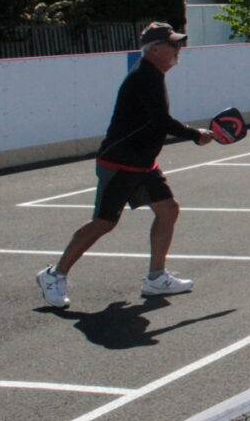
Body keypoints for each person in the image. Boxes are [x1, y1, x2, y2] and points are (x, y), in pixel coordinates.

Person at [35, 22, 214, 307]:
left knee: (168, 210)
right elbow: (160, 121)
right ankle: (54, 275)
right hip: (120, 163)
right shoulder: (145, 77)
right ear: (154, 50)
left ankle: (156, 278)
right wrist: (195, 135)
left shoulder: (154, 74)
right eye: (173, 44)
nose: (178, 49)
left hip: (143, 163)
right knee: (104, 223)